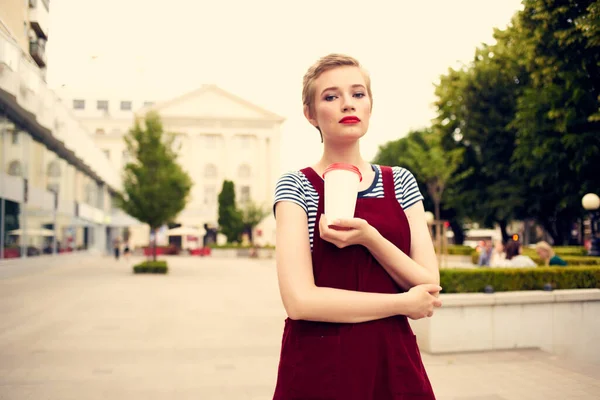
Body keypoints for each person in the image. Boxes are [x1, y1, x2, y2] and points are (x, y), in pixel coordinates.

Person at [272, 54, 442, 399]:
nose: (347, 103)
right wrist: (400, 304)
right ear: (310, 114)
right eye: (331, 96)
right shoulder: (296, 186)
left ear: (370, 105)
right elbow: (301, 302)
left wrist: (370, 237)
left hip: (392, 363)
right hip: (319, 366)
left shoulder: (401, 182)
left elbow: (428, 282)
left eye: (358, 93)